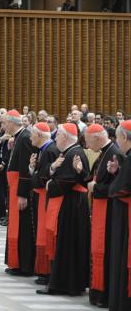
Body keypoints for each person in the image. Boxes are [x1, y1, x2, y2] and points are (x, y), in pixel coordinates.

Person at [38, 123, 90, 296]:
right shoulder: (68, 153)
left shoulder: (75, 153)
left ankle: (63, 284)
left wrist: (50, 184)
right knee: (66, 244)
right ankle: (66, 282)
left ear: (66, 136)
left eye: (58, 134)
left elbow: (68, 181)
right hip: (69, 204)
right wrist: (51, 172)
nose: (55, 137)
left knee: (67, 244)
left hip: (71, 205)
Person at [84, 124, 119, 307]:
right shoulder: (103, 153)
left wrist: (95, 187)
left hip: (109, 211)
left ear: (97, 138)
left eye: (89, 141)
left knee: (105, 252)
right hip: (100, 209)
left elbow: (116, 187)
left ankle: (104, 294)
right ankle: (99, 293)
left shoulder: (113, 153)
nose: (88, 146)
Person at [4, 110, 36, 277]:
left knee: (23, 228)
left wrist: (22, 193)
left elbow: (25, 169)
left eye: (4, 123)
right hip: (15, 187)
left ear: (11, 122)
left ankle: (24, 266)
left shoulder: (24, 138)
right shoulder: (18, 137)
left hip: (20, 190)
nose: (3, 126)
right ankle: (16, 263)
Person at [28, 122, 59, 286]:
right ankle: (43, 271)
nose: (30, 137)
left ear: (39, 135)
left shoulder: (49, 151)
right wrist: (33, 169)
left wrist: (34, 173)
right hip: (42, 197)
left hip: (47, 197)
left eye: (32, 134)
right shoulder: (44, 150)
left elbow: (43, 178)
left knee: (44, 234)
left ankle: (46, 271)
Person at [107, 120, 131, 311]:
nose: (117, 142)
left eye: (117, 137)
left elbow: (121, 188)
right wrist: (118, 172)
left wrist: (111, 185)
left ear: (124, 137)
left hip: (126, 217)